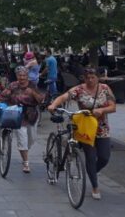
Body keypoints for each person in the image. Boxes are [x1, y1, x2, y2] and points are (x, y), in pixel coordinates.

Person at [48, 68, 116, 200]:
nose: (90, 80)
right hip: (84, 127)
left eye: (93, 77)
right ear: (84, 78)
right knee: (90, 157)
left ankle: (91, 172)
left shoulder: (105, 88)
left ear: (98, 77)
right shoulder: (78, 89)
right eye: (87, 78)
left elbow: (113, 107)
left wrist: (102, 110)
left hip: (101, 128)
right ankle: (95, 186)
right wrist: (53, 104)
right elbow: (64, 96)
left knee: (104, 157)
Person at [0, 66, 44, 173]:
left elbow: (41, 100)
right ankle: (26, 162)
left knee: (32, 139)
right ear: (17, 76)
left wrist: (33, 93)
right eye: (20, 75)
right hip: (17, 114)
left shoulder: (33, 85)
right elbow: (2, 96)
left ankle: (25, 149)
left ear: (27, 76)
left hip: (31, 115)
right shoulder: (13, 85)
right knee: (22, 138)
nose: (22, 78)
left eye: (24, 75)